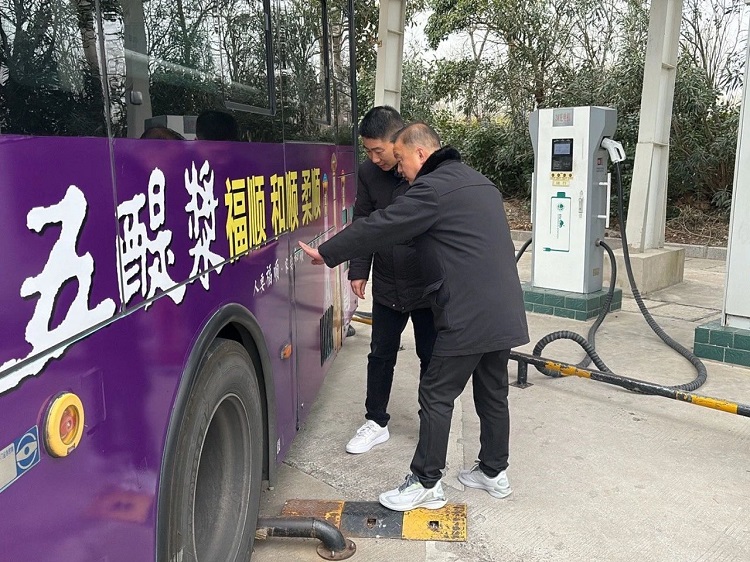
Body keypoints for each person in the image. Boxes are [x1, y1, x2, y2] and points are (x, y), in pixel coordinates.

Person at [299, 122, 529, 512]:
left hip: (466, 313)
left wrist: (329, 251)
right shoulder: (481, 183)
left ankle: (426, 483)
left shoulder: (431, 189)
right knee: (493, 392)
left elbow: (382, 224)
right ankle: (493, 472)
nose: (401, 171)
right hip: (503, 309)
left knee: (436, 393)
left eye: (402, 160)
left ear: (421, 154)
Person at [344, 106, 437, 455]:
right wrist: (358, 269)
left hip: (427, 283)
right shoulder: (369, 173)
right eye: (367, 151)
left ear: (398, 141)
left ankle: (433, 421)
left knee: (431, 356)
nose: (374, 158)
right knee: (381, 353)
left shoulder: (428, 168)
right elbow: (363, 221)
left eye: (378, 151)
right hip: (388, 280)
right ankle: (375, 421)